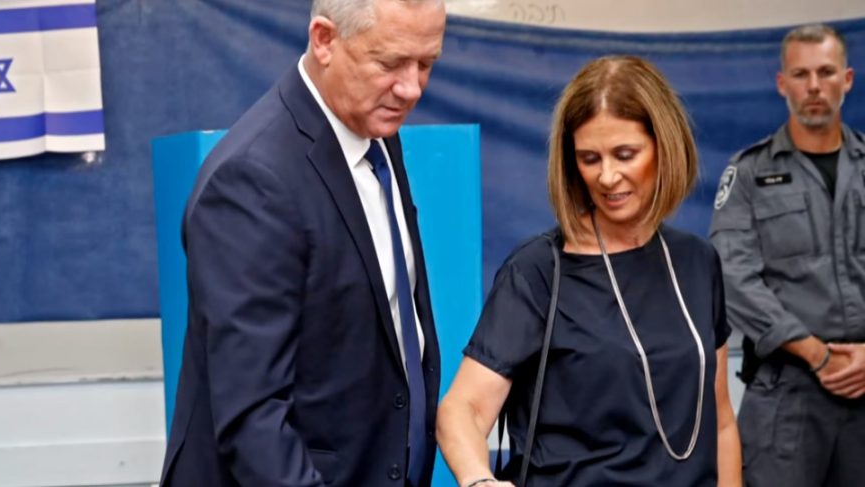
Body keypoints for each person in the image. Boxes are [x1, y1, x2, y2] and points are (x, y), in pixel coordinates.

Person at [158, 0, 446, 486]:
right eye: (390, 63)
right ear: (324, 40)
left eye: (427, 63)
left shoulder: (373, 128)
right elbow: (254, 417)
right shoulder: (252, 179)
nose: (411, 88)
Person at [437, 56, 741, 487]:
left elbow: (721, 420)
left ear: (665, 147)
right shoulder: (539, 271)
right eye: (589, 158)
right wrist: (478, 480)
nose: (608, 176)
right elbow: (461, 409)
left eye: (625, 155)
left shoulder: (697, 261)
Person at [709, 23, 865, 487]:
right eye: (801, 74)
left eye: (826, 72)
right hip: (788, 392)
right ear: (782, 83)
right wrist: (816, 353)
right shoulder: (749, 174)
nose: (814, 86)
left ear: (847, 79)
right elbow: (732, 276)